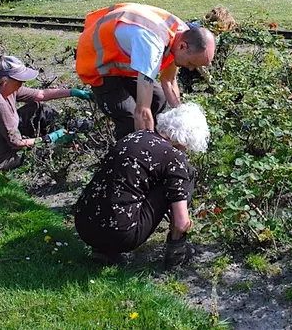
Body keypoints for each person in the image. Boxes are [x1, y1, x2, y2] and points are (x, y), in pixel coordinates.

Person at [74, 102, 209, 269]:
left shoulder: (135, 136)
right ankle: (177, 252)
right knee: (184, 174)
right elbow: (182, 223)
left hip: (84, 224)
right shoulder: (174, 158)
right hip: (120, 234)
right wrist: (183, 223)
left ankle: (102, 251)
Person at [75, 3, 216, 139]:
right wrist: (148, 148)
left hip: (125, 63)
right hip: (100, 66)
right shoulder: (151, 45)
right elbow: (142, 111)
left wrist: (181, 118)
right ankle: (127, 154)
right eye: (191, 63)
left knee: (160, 99)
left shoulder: (183, 34)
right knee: (128, 115)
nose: (190, 68)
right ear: (182, 47)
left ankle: (157, 140)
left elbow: (169, 80)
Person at [0, 53, 94, 171]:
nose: (23, 83)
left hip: (1, 138)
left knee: (38, 109)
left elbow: (41, 94)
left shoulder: (4, 88)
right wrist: (49, 138)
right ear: (5, 81)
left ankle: (72, 129)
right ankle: (67, 136)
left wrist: (74, 92)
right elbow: (16, 143)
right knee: (55, 151)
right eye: (19, 81)